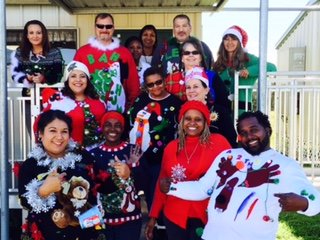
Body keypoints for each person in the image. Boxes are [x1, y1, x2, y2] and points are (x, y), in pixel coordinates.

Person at [164, 110, 320, 240]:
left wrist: (304, 203)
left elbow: (315, 200)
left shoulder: (285, 165)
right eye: (243, 133)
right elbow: (203, 189)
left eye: (254, 130)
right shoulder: (228, 156)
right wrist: (172, 187)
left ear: (268, 130)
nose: (249, 136)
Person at [145, 100, 231, 240]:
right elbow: (162, 183)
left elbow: (233, 175)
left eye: (198, 119)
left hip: (207, 215)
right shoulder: (171, 147)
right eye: (188, 119)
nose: (192, 123)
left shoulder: (219, 143)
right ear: (181, 121)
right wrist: (153, 216)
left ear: (205, 123)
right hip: (174, 216)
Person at [18, 110, 103, 240]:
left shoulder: (83, 158)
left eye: (64, 131)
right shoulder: (30, 165)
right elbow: (25, 201)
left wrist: (123, 174)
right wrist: (43, 191)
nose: (59, 137)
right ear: (40, 134)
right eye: (53, 131)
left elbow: (102, 184)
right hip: (44, 234)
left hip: (85, 234)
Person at [127, 66, 182, 210]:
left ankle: (158, 228)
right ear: (146, 86)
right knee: (135, 193)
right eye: (150, 84)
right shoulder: (141, 100)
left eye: (158, 82)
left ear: (164, 81)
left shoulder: (175, 103)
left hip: (162, 159)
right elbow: (131, 123)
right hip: (140, 157)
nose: (156, 87)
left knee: (155, 195)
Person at [90, 111, 143, 240]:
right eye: (108, 125)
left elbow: (143, 183)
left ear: (123, 128)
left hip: (130, 222)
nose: (113, 129)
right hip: (101, 221)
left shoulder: (133, 151)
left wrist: (131, 169)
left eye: (117, 125)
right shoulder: (93, 154)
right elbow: (91, 188)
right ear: (102, 128)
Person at [74, 13, 140, 113]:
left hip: (117, 110)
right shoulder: (82, 52)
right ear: (95, 27)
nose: (104, 29)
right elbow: (73, 82)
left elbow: (133, 83)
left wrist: (130, 107)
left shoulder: (124, 53)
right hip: (88, 110)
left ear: (113, 28)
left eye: (108, 26)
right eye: (100, 26)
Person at [10, 20, 64, 133]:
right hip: (29, 99)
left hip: (51, 101)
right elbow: (14, 74)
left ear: (44, 34)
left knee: (51, 132)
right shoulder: (20, 52)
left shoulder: (54, 52)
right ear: (27, 35)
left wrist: (44, 78)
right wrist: (27, 77)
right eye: (31, 33)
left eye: (38, 32)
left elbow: (58, 74)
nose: (35, 36)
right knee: (34, 133)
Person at [39, 60, 106, 149]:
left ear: (87, 80)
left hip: (95, 152)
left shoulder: (98, 102)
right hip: (64, 152)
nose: (78, 80)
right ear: (67, 80)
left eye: (82, 76)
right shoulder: (57, 101)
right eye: (73, 76)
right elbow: (41, 124)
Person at [213, 25, 277, 114]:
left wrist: (249, 71)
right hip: (222, 111)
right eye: (226, 39)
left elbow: (271, 68)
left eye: (233, 39)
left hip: (243, 111)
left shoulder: (248, 59)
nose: (229, 42)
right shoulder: (218, 63)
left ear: (239, 42)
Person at [184, 66, 237, 147]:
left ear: (206, 90)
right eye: (188, 87)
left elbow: (231, 142)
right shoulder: (181, 112)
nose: (191, 91)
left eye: (196, 86)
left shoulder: (220, 111)